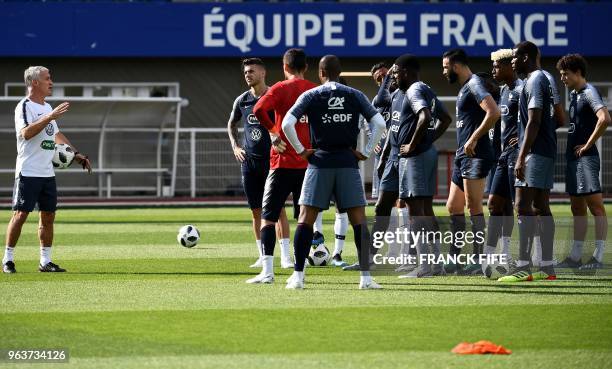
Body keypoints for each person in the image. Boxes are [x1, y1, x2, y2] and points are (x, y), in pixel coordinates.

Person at [282, 55, 386, 289]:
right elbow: (379, 124)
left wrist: (301, 150)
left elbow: (287, 124)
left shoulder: (310, 95)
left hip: (319, 161)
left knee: (305, 219)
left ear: (320, 73)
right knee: (358, 220)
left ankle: (298, 276)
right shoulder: (355, 94)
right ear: (340, 72)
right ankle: (366, 279)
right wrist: (367, 151)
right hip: (347, 162)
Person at [2, 66, 92, 274]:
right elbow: (26, 133)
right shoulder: (24, 106)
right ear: (35, 83)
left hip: (47, 173)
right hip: (28, 172)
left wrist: (76, 155)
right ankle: (7, 259)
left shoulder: (47, 107)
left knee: (48, 216)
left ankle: (45, 261)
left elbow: (56, 135)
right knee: (20, 215)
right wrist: (49, 117)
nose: (51, 82)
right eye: (47, 79)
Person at [245, 49, 317, 284]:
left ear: (285, 67)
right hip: (307, 163)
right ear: (305, 67)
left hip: (281, 162)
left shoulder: (279, 88)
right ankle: (299, 269)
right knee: (304, 219)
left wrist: (274, 133)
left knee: (268, 217)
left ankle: (268, 272)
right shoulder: (313, 90)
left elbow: (258, 110)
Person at [389, 54, 452, 278]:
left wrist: (414, 143)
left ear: (405, 71)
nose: (394, 76)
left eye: (396, 72)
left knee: (416, 212)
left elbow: (425, 116)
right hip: (425, 154)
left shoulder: (414, 90)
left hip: (415, 157)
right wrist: (428, 140)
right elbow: (445, 118)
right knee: (426, 210)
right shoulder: (426, 87)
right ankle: (437, 265)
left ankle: (425, 266)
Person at [499, 41, 557, 282]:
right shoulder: (543, 78)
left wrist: (521, 156)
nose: (512, 61)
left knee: (522, 206)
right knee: (541, 207)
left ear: (525, 57)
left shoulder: (533, 80)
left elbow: (533, 121)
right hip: (545, 150)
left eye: (514, 56)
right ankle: (547, 266)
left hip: (534, 152)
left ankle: (523, 266)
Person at [227, 58, 292, 269]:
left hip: (273, 162)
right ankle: (263, 256)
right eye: (246, 72)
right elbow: (231, 124)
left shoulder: (274, 96)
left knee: (278, 208)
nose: (248, 74)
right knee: (256, 210)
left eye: (252, 71)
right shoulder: (242, 100)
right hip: (249, 163)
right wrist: (236, 147)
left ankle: (285, 256)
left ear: (263, 74)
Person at [442, 49, 500, 274]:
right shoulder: (466, 87)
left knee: (473, 206)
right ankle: (454, 258)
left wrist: (474, 138)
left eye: (445, 66)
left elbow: (493, 112)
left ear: (456, 66)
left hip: (476, 155)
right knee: (453, 206)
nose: (443, 70)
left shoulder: (475, 84)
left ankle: (478, 259)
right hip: (462, 156)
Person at [556, 53, 610, 270]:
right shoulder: (577, 95)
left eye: (565, 74)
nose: (563, 78)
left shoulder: (589, 92)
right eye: (560, 74)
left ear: (578, 72)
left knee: (596, 207)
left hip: (585, 159)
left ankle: (598, 257)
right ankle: (576, 257)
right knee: (577, 208)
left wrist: (588, 145)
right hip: (573, 159)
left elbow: (605, 119)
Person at [484, 49, 524, 266]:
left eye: (498, 66)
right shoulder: (503, 92)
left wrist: (522, 136)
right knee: (494, 204)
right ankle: (494, 254)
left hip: (518, 156)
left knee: (521, 207)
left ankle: (529, 257)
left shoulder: (522, 89)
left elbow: (540, 118)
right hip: (502, 156)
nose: (494, 70)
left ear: (510, 66)